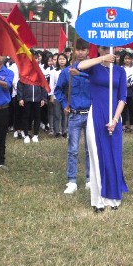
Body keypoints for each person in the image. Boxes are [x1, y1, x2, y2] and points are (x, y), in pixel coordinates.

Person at [77, 46, 129, 211]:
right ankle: (98, 200)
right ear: (99, 50)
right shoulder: (94, 66)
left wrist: (115, 119)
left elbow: (123, 98)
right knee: (97, 156)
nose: (108, 51)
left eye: (109, 49)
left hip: (114, 116)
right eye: (104, 49)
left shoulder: (120, 71)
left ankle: (113, 199)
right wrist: (102, 59)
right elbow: (80, 66)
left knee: (113, 155)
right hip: (96, 115)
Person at [54, 40, 92, 193]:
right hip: (75, 115)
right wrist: (65, 105)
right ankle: (72, 181)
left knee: (90, 149)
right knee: (73, 149)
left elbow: (98, 84)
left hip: (91, 114)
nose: (81, 52)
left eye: (84, 50)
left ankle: (90, 179)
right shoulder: (66, 71)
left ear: (88, 51)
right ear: (74, 51)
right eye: (78, 49)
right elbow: (58, 90)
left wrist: (80, 74)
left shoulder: (93, 69)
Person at [17, 70, 48, 143]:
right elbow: (20, 86)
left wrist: (43, 98)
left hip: (37, 100)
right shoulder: (24, 75)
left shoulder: (40, 76)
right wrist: (20, 98)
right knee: (26, 117)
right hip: (27, 100)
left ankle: (36, 135)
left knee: (37, 117)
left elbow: (44, 87)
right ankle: (26, 135)